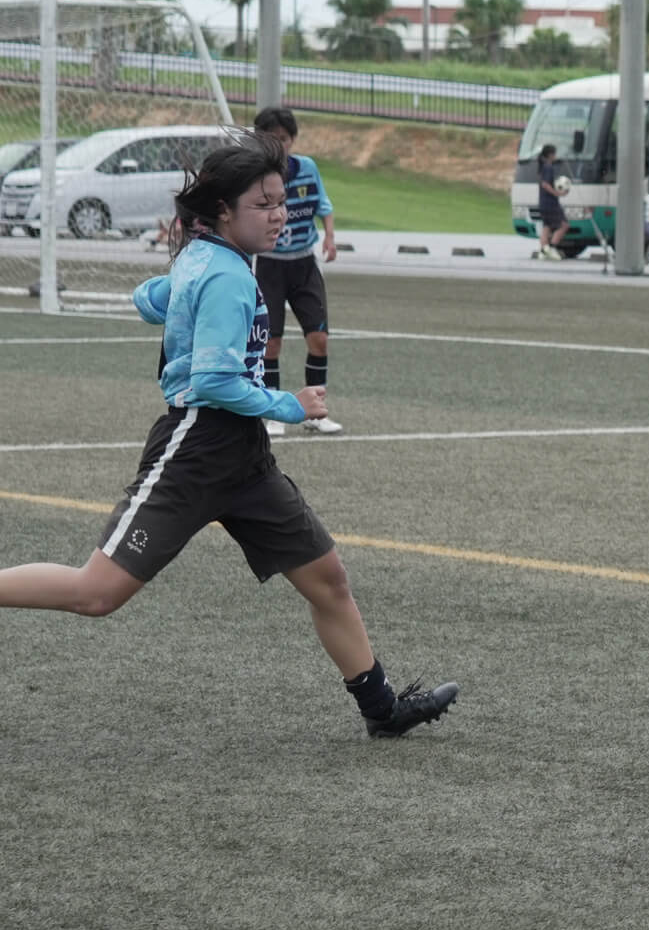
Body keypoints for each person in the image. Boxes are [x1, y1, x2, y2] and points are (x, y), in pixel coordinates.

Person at [0, 132, 458, 740]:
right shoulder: (226, 275)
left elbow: (146, 301)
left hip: (245, 461)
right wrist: (291, 405)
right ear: (222, 211)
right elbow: (214, 382)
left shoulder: (210, 258)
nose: (279, 215)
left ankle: (382, 711)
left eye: (282, 201)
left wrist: (176, 286)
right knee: (96, 593)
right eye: (263, 205)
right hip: (196, 450)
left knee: (328, 580)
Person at [251, 106, 342, 438]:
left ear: (292, 140)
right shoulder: (254, 175)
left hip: (304, 265)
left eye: (284, 138)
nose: (279, 145)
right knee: (270, 344)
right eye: (270, 138)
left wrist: (329, 236)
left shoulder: (307, 168)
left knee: (319, 339)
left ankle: (315, 413)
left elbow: (323, 206)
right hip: (269, 266)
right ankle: (274, 413)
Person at [533, 144, 567, 260]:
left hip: (542, 203)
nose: (555, 156)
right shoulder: (548, 167)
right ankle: (552, 248)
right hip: (551, 203)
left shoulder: (542, 166)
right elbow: (545, 184)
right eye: (554, 154)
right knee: (564, 225)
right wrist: (558, 193)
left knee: (546, 226)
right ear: (550, 155)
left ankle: (543, 251)